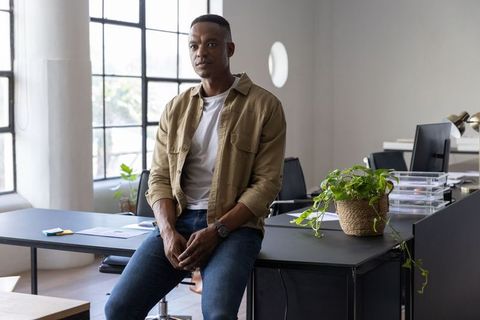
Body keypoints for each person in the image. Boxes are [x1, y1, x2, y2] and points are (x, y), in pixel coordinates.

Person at [105, 14, 286, 320]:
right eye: (193, 45)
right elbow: (159, 177)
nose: (201, 52)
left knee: (217, 314)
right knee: (118, 308)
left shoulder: (264, 106)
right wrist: (165, 230)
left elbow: (267, 184)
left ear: (230, 48)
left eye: (211, 44)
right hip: (177, 223)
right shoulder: (175, 109)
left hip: (236, 229)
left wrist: (218, 230)